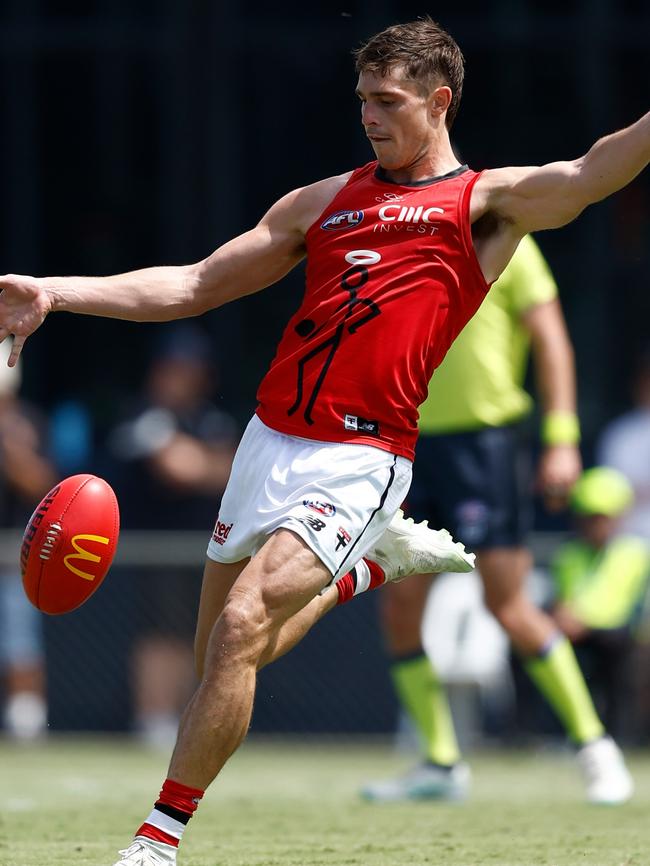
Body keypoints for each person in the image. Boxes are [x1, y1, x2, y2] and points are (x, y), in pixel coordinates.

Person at [0, 16, 647, 866]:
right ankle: (369, 569)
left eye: (387, 101)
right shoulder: (320, 203)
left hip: (362, 455)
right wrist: (55, 290)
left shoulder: (486, 205)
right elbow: (193, 285)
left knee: (239, 629)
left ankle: (157, 840)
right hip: (268, 443)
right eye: (362, 101)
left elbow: (594, 170)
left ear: (438, 101)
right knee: (221, 663)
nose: (370, 117)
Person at [358, 234, 632, 805]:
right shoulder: (400, 239)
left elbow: (552, 341)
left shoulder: (510, 243)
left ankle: (595, 747)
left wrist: (562, 439)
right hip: (406, 447)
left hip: (485, 447)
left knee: (506, 604)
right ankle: (440, 762)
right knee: (400, 605)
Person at [107, 323, 238, 747]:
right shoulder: (144, 414)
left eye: (191, 369)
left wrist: (203, 463)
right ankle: (152, 716)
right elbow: (180, 469)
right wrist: (205, 464)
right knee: (158, 633)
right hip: (151, 548)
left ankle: (181, 718)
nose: (182, 377)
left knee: (193, 634)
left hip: (201, 546)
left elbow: (234, 471)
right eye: (174, 368)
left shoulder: (209, 418)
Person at [549, 467, 650, 740]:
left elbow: (630, 609)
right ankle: (554, 734)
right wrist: (564, 616)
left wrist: (585, 621)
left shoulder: (636, 554)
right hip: (583, 635)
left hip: (622, 637)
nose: (595, 526)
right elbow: (564, 599)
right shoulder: (569, 555)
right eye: (589, 518)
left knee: (618, 652)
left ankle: (623, 736)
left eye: (602, 518)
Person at [0, 339, 57, 739]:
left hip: (11, 558)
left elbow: (43, 485)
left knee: (20, 640)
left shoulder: (28, 423)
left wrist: (9, 445)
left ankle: (26, 721)